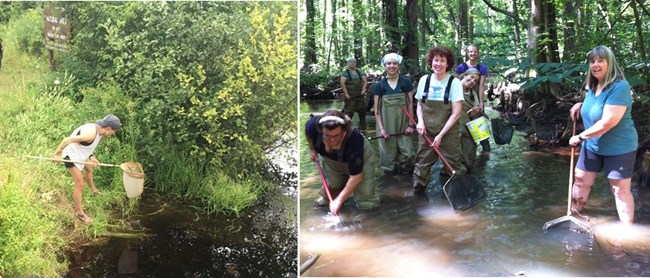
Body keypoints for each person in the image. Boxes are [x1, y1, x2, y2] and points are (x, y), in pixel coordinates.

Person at [568, 45, 638, 225]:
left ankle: (627, 232)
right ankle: (575, 217)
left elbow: (608, 122)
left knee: (619, 190)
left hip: (618, 147)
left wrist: (580, 137)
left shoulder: (620, 87)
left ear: (610, 63)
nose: (595, 65)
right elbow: (596, 105)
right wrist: (580, 104)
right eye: (592, 61)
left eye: (600, 60)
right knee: (580, 181)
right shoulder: (593, 86)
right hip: (593, 145)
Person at [413, 45, 466, 193]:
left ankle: (458, 194)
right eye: (436, 60)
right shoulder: (424, 80)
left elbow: (456, 113)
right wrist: (420, 121)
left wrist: (441, 135)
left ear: (448, 63)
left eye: (442, 60)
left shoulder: (454, 83)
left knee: (454, 165)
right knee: (421, 165)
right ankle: (418, 195)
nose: (438, 64)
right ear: (431, 62)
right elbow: (419, 104)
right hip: (426, 131)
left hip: (448, 133)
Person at [305, 110, 380, 215]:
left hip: (362, 161)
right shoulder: (312, 126)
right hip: (332, 163)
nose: (332, 140)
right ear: (321, 130)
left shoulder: (354, 139)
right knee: (327, 198)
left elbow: (356, 177)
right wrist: (312, 149)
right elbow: (308, 134)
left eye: (336, 136)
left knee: (366, 200)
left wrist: (338, 201)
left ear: (344, 131)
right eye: (327, 136)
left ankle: (369, 222)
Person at [53, 114, 122, 223]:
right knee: (80, 183)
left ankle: (94, 191)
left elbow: (88, 147)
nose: (112, 134)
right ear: (108, 128)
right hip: (71, 155)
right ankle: (79, 213)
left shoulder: (100, 132)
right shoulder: (90, 134)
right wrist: (57, 154)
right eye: (113, 132)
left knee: (89, 167)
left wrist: (92, 157)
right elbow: (67, 140)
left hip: (81, 153)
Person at [372, 53, 415, 175]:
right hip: (386, 126)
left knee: (407, 155)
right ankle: (390, 186)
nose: (392, 66)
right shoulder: (379, 85)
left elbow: (410, 104)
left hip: (404, 124)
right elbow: (377, 110)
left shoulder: (406, 82)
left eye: (394, 63)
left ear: (399, 65)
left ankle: (406, 182)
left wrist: (411, 125)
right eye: (389, 63)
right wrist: (382, 130)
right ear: (384, 65)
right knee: (388, 160)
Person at [455, 44, 490, 152]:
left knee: (479, 122)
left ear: (478, 53)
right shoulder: (462, 67)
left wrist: (481, 104)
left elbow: (480, 87)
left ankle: (485, 148)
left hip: (473, 97)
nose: (472, 54)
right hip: (461, 97)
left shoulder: (482, 67)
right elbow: (455, 82)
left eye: (475, 52)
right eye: (470, 52)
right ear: (467, 53)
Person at [458, 68, 482, 171]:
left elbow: (472, 116)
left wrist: (474, 112)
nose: (472, 81)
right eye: (471, 77)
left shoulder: (473, 94)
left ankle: (466, 175)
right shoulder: (453, 88)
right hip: (453, 127)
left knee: (469, 156)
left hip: (468, 128)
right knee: (453, 155)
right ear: (465, 75)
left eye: (475, 81)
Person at [340, 57, 369, 130]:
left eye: (354, 62)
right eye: (350, 62)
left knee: (362, 111)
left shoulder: (359, 72)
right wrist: (346, 94)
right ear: (348, 63)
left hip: (360, 95)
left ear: (356, 63)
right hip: (350, 96)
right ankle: (346, 128)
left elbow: (365, 81)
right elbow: (342, 83)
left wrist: (363, 90)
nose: (352, 63)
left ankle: (363, 128)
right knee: (349, 112)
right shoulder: (345, 72)